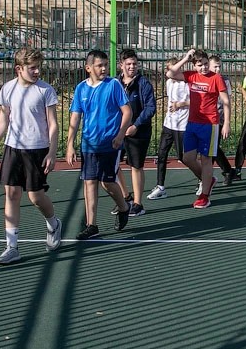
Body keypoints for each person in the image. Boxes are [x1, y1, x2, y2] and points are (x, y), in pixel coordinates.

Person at [0, 47, 63, 264]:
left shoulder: (45, 91)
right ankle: (12, 247)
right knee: (11, 195)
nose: (37, 71)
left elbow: (53, 125)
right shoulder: (7, 89)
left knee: (35, 197)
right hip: (13, 148)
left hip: (37, 149)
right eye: (32, 68)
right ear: (19, 69)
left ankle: (54, 224)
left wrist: (52, 152)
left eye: (39, 67)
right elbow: (3, 121)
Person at [66, 49, 132, 240]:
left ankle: (123, 206)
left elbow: (127, 112)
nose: (103, 68)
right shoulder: (81, 89)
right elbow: (75, 117)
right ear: (88, 68)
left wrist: (120, 135)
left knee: (107, 182)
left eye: (105, 65)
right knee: (89, 182)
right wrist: (70, 144)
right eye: (99, 65)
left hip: (110, 143)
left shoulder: (113, 85)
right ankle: (91, 224)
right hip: (89, 145)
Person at [167, 48, 231, 208]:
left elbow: (226, 101)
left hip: (209, 124)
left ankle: (205, 195)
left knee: (206, 159)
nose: (203, 67)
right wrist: (186, 58)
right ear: (194, 65)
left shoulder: (216, 78)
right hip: (192, 123)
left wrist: (227, 123)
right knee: (187, 158)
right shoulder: (191, 76)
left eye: (204, 64)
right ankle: (208, 180)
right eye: (199, 65)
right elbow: (170, 74)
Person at [111, 48, 156, 216]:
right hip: (118, 131)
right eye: (128, 64)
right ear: (121, 65)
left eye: (135, 64)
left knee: (136, 166)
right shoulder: (115, 83)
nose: (132, 67)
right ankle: (125, 198)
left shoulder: (143, 83)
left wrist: (135, 125)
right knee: (114, 166)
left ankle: (138, 204)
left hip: (139, 131)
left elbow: (150, 108)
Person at [147, 57, 189, 200]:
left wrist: (180, 104)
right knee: (161, 155)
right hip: (168, 124)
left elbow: (195, 102)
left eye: (175, 68)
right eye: (170, 69)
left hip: (182, 125)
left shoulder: (186, 84)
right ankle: (160, 187)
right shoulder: (169, 82)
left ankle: (203, 179)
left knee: (183, 158)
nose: (172, 71)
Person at [208, 54, 237, 186]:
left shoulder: (224, 80)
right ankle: (228, 171)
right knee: (211, 149)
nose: (218, 69)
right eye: (215, 67)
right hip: (204, 119)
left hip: (218, 119)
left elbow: (227, 102)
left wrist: (227, 122)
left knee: (212, 149)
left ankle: (205, 178)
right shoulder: (205, 78)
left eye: (219, 66)